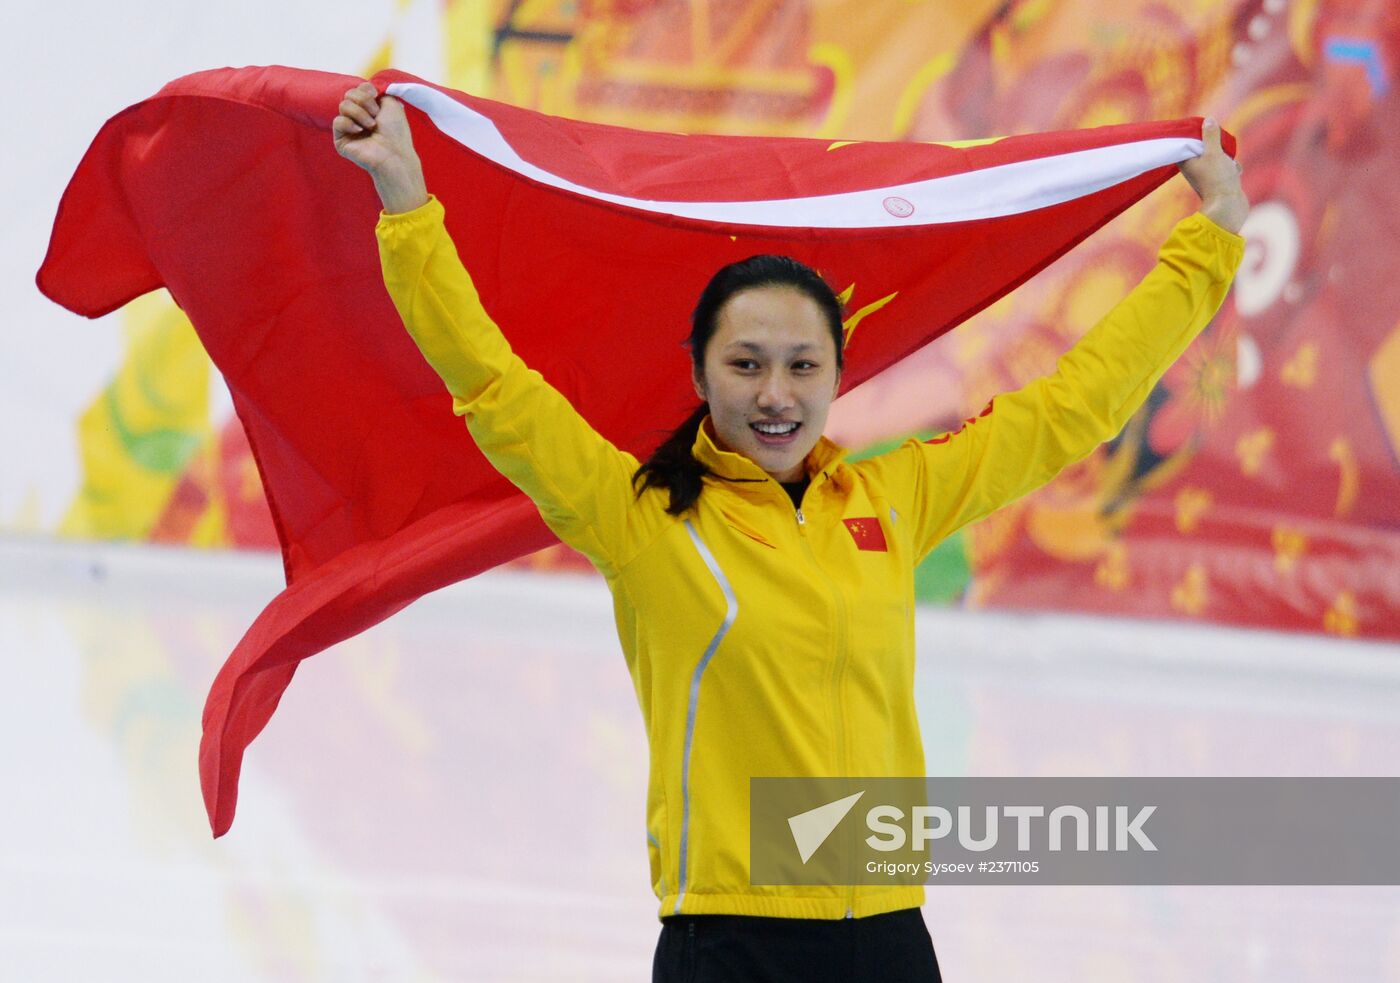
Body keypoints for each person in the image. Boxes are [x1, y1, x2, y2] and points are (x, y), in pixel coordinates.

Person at [332, 80, 1248, 982]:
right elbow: (493, 385)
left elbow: (1072, 407)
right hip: (731, 943)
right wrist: (406, 206)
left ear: (839, 374)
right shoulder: (641, 515)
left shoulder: (894, 498)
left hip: (889, 933)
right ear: (698, 372)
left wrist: (1210, 241)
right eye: (746, 364)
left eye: (803, 365)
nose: (776, 393)